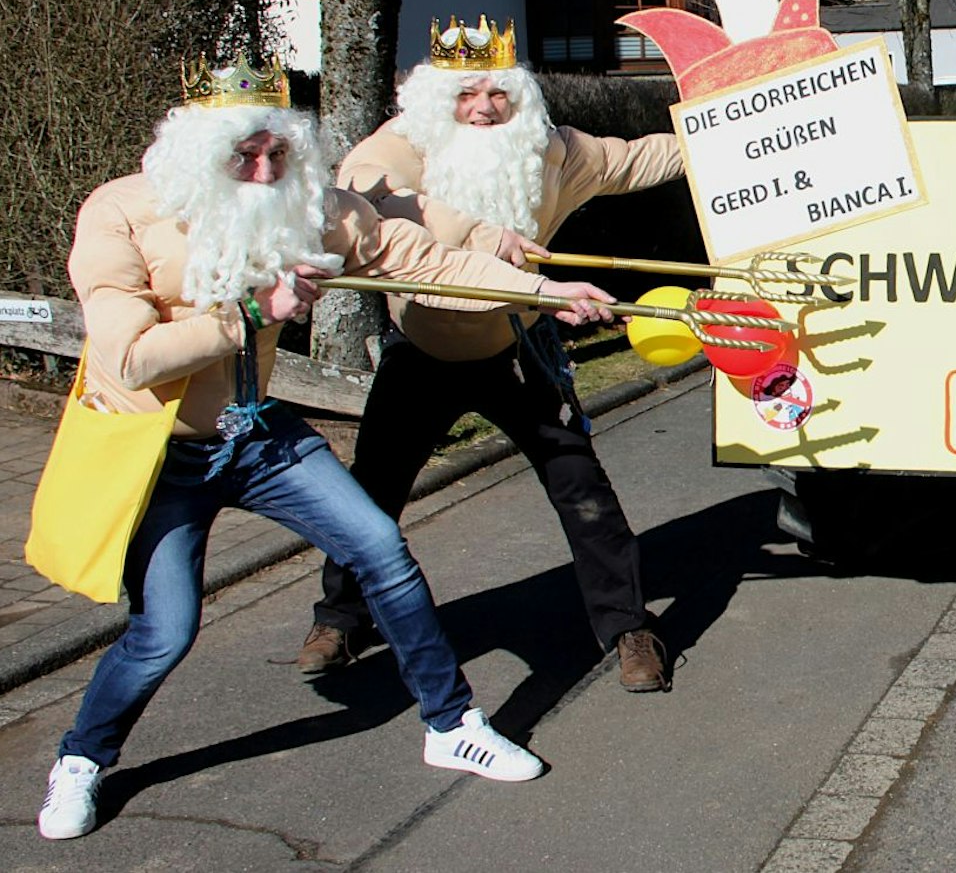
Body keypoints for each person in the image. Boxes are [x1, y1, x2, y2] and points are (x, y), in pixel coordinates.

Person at [39, 57, 620, 841]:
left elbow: (428, 259)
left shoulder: (310, 210)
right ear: (196, 154)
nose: (264, 170)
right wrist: (253, 308)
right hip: (159, 450)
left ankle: (450, 724)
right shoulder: (120, 213)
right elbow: (129, 355)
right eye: (244, 155)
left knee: (381, 542)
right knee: (163, 633)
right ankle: (82, 756)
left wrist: (549, 292)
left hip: (258, 434)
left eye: (279, 153)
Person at [297, 17, 687, 693]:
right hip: (422, 346)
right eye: (465, 94)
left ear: (519, 97)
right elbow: (369, 194)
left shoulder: (554, 151)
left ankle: (628, 627)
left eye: (497, 94)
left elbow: (637, 158)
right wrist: (468, 232)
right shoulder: (396, 149)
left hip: (516, 344)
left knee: (582, 487)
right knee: (373, 491)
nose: (483, 109)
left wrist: (724, 134)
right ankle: (340, 617)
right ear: (432, 102)